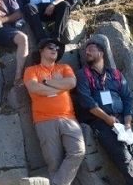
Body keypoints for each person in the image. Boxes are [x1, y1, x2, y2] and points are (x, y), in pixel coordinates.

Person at [75, 38, 133, 185]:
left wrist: (127, 121)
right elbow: (88, 102)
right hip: (100, 122)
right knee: (123, 157)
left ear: (101, 53)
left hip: (122, 120)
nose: (87, 52)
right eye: (86, 51)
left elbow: (127, 98)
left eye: (91, 49)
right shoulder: (83, 75)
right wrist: (107, 119)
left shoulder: (116, 74)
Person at [23, 38, 85, 185]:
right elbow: (33, 87)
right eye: (51, 47)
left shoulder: (64, 68)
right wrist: (59, 87)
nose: (54, 50)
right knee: (54, 163)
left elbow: (71, 83)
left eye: (57, 48)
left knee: (78, 151)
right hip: (44, 121)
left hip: (68, 118)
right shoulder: (31, 70)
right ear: (41, 51)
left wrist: (46, 82)